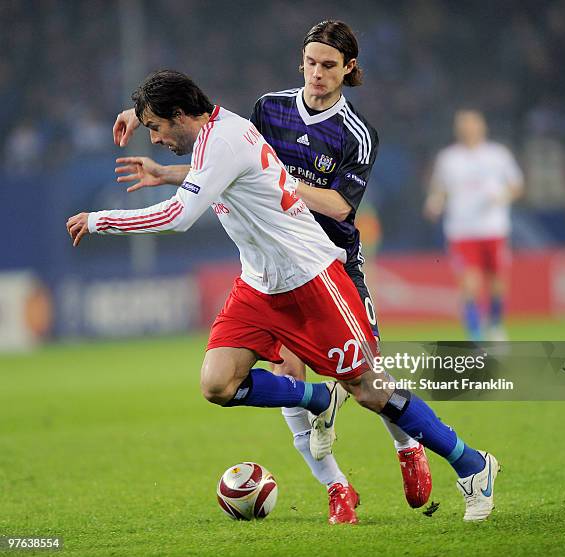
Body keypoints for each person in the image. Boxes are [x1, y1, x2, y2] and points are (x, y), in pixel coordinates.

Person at [68, 69, 499, 523]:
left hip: (312, 280)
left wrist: (101, 220)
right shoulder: (211, 136)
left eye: (155, 127)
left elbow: (180, 215)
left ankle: (473, 465)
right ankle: (317, 399)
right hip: (258, 286)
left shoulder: (224, 141)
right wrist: (137, 115)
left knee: (371, 390)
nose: (153, 138)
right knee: (217, 384)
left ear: (179, 115)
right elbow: (197, 161)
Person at [111, 21, 431, 524]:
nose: (317, 73)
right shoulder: (270, 108)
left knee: (363, 378)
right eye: (310, 62)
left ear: (348, 69)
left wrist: (278, 181)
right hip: (272, 273)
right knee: (288, 379)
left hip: (331, 260)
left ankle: (408, 444)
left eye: (329, 65)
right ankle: (336, 487)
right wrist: (150, 133)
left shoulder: (357, 133)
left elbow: (341, 207)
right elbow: (225, 165)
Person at [424, 109, 524, 341]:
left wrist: (503, 196)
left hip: (493, 228)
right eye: (463, 125)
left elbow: (517, 185)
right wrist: (435, 202)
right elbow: (440, 189)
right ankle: (476, 336)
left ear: (482, 127)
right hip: (461, 230)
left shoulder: (498, 155)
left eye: (472, 124)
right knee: (470, 284)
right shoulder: (448, 158)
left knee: (498, 281)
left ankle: (496, 325)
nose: (468, 129)